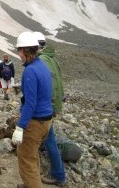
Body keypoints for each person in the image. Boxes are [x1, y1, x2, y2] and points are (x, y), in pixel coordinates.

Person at [12, 31, 53, 188]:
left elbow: (30, 104)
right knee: (32, 155)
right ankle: (30, 184)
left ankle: (32, 184)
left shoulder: (29, 71)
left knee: (26, 161)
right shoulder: (41, 66)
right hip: (46, 120)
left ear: (23, 50)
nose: (18, 53)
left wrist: (20, 127)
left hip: (35, 122)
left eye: (18, 50)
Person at [34, 31, 67, 186]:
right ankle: (55, 172)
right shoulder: (52, 58)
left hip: (47, 107)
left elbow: (49, 86)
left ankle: (58, 175)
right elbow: (58, 82)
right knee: (47, 139)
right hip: (53, 105)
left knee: (49, 140)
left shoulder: (42, 60)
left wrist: (49, 106)